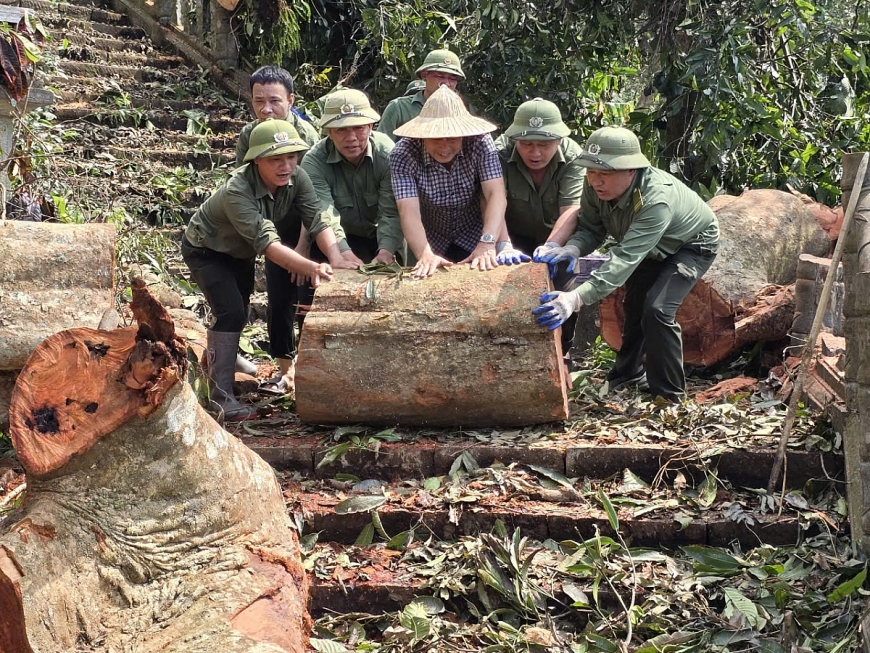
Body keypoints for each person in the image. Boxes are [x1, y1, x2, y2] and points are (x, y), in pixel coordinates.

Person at [532, 126, 719, 402]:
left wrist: (574, 299)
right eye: (592, 172)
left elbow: (624, 258)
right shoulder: (594, 185)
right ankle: (628, 373)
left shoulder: (656, 200)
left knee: (657, 310)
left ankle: (670, 396)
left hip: (690, 246)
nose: (596, 181)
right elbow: (591, 228)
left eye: (605, 173)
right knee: (633, 305)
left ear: (631, 170)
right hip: (647, 247)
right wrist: (573, 247)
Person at [183, 120, 336, 421]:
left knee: (239, 306)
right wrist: (313, 267)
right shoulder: (237, 190)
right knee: (231, 312)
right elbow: (268, 244)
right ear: (256, 160)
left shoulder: (298, 177)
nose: (285, 166)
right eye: (275, 159)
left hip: (240, 254)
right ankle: (221, 399)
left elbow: (316, 217)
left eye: (291, 157)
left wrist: (337, 255)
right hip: (206, 251)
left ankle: (217, 367)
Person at [494, 98, 586, 361]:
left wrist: (553, 245)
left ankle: (562, 356)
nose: (535, 153)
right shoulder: (498, 154)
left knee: (563, 294)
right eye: (526, 145)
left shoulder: (573, 157)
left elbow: (571, 208)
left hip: (559, 236)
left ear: (558, 140)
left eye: (544, 145)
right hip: (513, 234)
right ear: (515, 141)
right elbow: (492, 201)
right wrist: (502, 243)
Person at [389, 85, 507, 278]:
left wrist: (487, 242)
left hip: (474, 231)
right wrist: (424, 254)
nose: (444, 147)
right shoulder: (403, 153)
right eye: (436, 139)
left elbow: (496, 194)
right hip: (430, 236)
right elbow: (407, 209)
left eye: (452, 138)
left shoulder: (480, 142)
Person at [300, 88, 403, 265]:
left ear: (370, 127)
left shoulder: (387, 154)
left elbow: (391, 211)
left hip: (381, 235)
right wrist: (342, 252)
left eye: (359, 128)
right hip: (336, 237)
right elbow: (323, 213)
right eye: (341, 130)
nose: (352, 137)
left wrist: (386, 251)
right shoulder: (314, 162)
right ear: (329, 133)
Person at [235, 66, 321, 167]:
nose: (266, 109)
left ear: (290, 101)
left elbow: (313, 179)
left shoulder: (306, 136)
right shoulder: (248, 134)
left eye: (274, 101)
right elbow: (240, 177)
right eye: (259, 101)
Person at [378, 49, 465, 141]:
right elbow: (382, 145)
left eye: (452, 78)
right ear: (424, 75)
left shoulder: (460, 111)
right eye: (440, 76)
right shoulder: (399, 108)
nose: (446, 83)